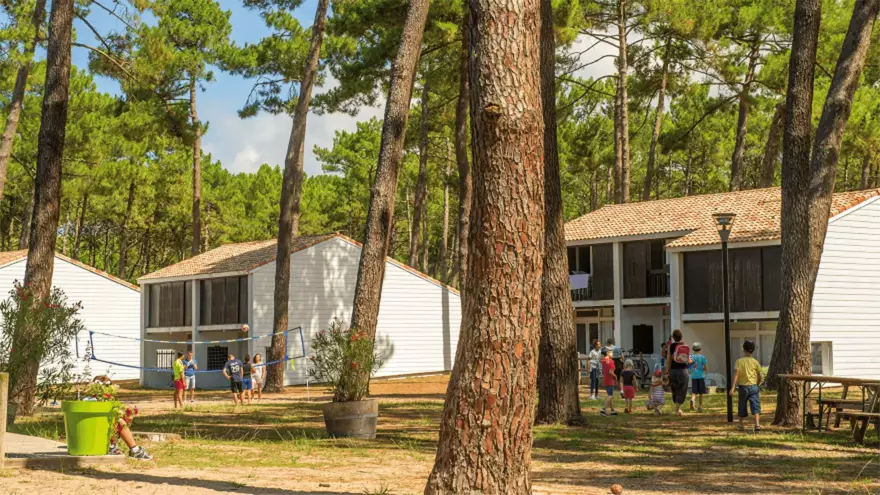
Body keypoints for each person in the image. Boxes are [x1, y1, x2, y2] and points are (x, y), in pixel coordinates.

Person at [730, 340, 763, 432]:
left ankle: (740, 424)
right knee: (756, 406)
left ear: (743, 349)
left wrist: (732, 388)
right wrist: (757, 384)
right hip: (753, 387)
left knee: (742, 405)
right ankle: (757, 424)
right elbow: (760, 375)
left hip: (743, 387)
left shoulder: (739, 361)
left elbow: (736, 374)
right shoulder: (755, 362)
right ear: (753, 350)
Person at [665, 329, 690, 416]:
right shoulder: (685, 346)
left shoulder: (670, 346)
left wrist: (667, 372)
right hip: (683, 370)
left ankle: (677, 408)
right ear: (681, 337)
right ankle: (678, 409)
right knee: (682, 389)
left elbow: (668, 360)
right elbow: (688, 360)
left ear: (673, 337)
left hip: (673, 370)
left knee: (674, 389)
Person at [688, 342, 708, 412]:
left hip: (694, 376)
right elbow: (705, 367)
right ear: (700, 349)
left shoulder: (691, 357)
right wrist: (704, 369)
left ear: (693, 349)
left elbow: (689, 366)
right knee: (701, 392)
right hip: (701, 376)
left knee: (694, 391)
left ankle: (692, 400)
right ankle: (700, 406)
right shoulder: (702, 357)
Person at [600, 348, 617, 416]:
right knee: (610, 396)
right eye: (611, 352)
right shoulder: (611, 361)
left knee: (610, 395)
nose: (612, 353)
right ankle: (603, 410)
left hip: (605, 379)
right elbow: (610, 372)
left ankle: (612, 411)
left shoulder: (603, 361)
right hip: (610, 380)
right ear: (607, 353)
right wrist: (615, 376)